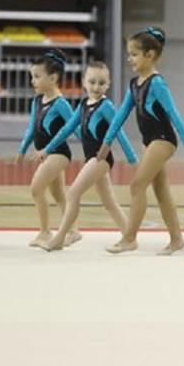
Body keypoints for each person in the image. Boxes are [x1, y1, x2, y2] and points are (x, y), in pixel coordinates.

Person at [97, 27, 184, 255]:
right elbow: (120, 115)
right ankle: (177, 239)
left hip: (163, 139)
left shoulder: (157, 83)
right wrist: (106, 142)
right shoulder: (134, 84)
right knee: (161, 189)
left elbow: (174, 113)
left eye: (134, 54)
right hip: (150, 141)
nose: (129, 58)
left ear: (150, 55)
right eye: (129, 53)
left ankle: (129, 238)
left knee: (137, 185)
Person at [36, 61, 137, 252]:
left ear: (108, 84)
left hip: (100, 159)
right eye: (92, 82)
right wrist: (48, 149)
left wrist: (132, 159)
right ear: (84, 82)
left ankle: (59, 238)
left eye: (101, 83)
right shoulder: (83, 105)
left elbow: (119, 132)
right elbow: (67, 129)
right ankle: (129, 237)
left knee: (73, 193)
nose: (96, 87)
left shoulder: (106, 106)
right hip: (92, 158)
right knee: (109, 202)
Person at [16, 50, 75, 249]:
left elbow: (74, 125)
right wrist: (22, 149)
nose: (33, 81)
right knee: (58, 194)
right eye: (32, 76)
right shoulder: (37, 101)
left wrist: (93, 149)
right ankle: (73, 230)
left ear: (53, 78)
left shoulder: (61, 103)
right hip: (46, 154)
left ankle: (45, 231)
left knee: (36, 188)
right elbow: (32, 127)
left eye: (37, 76)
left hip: (58, 153)